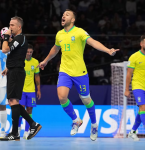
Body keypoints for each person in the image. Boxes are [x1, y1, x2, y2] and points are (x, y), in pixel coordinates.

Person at [38, 9, 119, 141]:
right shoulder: (59, 34)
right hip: (65, 71)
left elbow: (93, 42)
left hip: (80, 72)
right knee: (62, 97)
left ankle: (94, 124)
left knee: (86, 100)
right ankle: (76, 120)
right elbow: (55, 48)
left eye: (67, 14)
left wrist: (107, 50)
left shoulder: (79, 32)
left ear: (73, 20)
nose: (63, 16)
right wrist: (46, 61)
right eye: (63, 14)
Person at [0, 16, 41, 141]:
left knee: (13, 102)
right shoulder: (16, 39)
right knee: (14, 102)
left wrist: (6, 37)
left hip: (17, 72)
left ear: (19, 27)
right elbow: (15, 55)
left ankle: (19, 131)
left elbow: (4, 49)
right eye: (9, 24)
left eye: (12, 25)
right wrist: (8, 67)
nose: (9, 27)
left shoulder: (20, 38)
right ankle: (27, 127)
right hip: (14, 71)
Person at [18, 44, 41, 139]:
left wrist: (38, 89)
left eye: (30, 52)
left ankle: (26, 131)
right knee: (20, 110)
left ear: (32, 53)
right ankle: (18, 130)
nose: (29, 54)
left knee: (29, 110)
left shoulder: (35, 62)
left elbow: (37, 76)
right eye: (27, 52)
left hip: (31, 90)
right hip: (21, 90)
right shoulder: (20, 61)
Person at [124, 35, 145, 141]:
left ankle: (132, 131)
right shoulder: (134, 57)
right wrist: (127, 89)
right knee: (143, 108)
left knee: (142, 110)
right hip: (138, 86)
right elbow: (129, 74)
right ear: (141, 44)